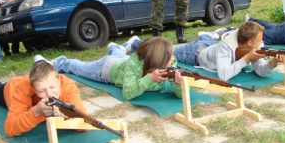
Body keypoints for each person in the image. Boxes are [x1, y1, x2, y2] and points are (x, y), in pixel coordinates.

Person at [37, 37, 183, 100]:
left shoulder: (169, 62)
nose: (173, 60)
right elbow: (127, 93)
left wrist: (178, 85)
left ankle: (116, 47)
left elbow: (181, 95)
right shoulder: (135, 63)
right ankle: (58, 62)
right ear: (157, 61)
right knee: (79, 68)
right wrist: (148, 79)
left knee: (120, 56)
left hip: (123, 63)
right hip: (106, 69)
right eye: (169, 57)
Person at [0, 60, 87, 137]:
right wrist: (36, 111)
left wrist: (67, 115)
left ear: (59, 81)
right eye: (41, 91)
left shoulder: (68, 86)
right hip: (11, 89)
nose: (49, 94)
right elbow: (10, 129)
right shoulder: (22, 89)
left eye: (52, 87)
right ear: (34, 89)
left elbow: (85, 122)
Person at [171, 22, 284, 82]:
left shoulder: (256, 44)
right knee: (169, 51)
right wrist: (246, 59)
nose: (262, 42)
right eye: (260, 39)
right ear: (250, 42)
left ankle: (208, 36)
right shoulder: (225, 45)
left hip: (213, 48)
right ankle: (207, 36)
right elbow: (223, 76)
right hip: (195, 53)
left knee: (211, 43)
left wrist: (273, 62)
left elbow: (262, 72)